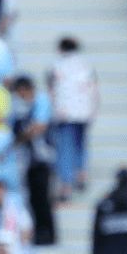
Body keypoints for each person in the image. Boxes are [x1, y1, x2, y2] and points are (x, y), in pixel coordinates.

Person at [48, 36, 99, 201]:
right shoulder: (86, 65)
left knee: (65, 148)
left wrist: (55, 110)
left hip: (65, 113)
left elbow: (53, 90)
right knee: (80, 145)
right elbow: (93, 89)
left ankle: (66, 186)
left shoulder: (57, 65)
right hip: (83, 112)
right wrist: (92, 110)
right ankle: (82, 175)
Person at [8, 75, 56, 245]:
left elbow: (38, 127)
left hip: (42, 159)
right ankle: (38, 233)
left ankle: (48, 235)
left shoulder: (41, 101)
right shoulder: (21, 107)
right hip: (28, 161)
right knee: (32, 199)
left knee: (42, 198)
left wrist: (18, 140)